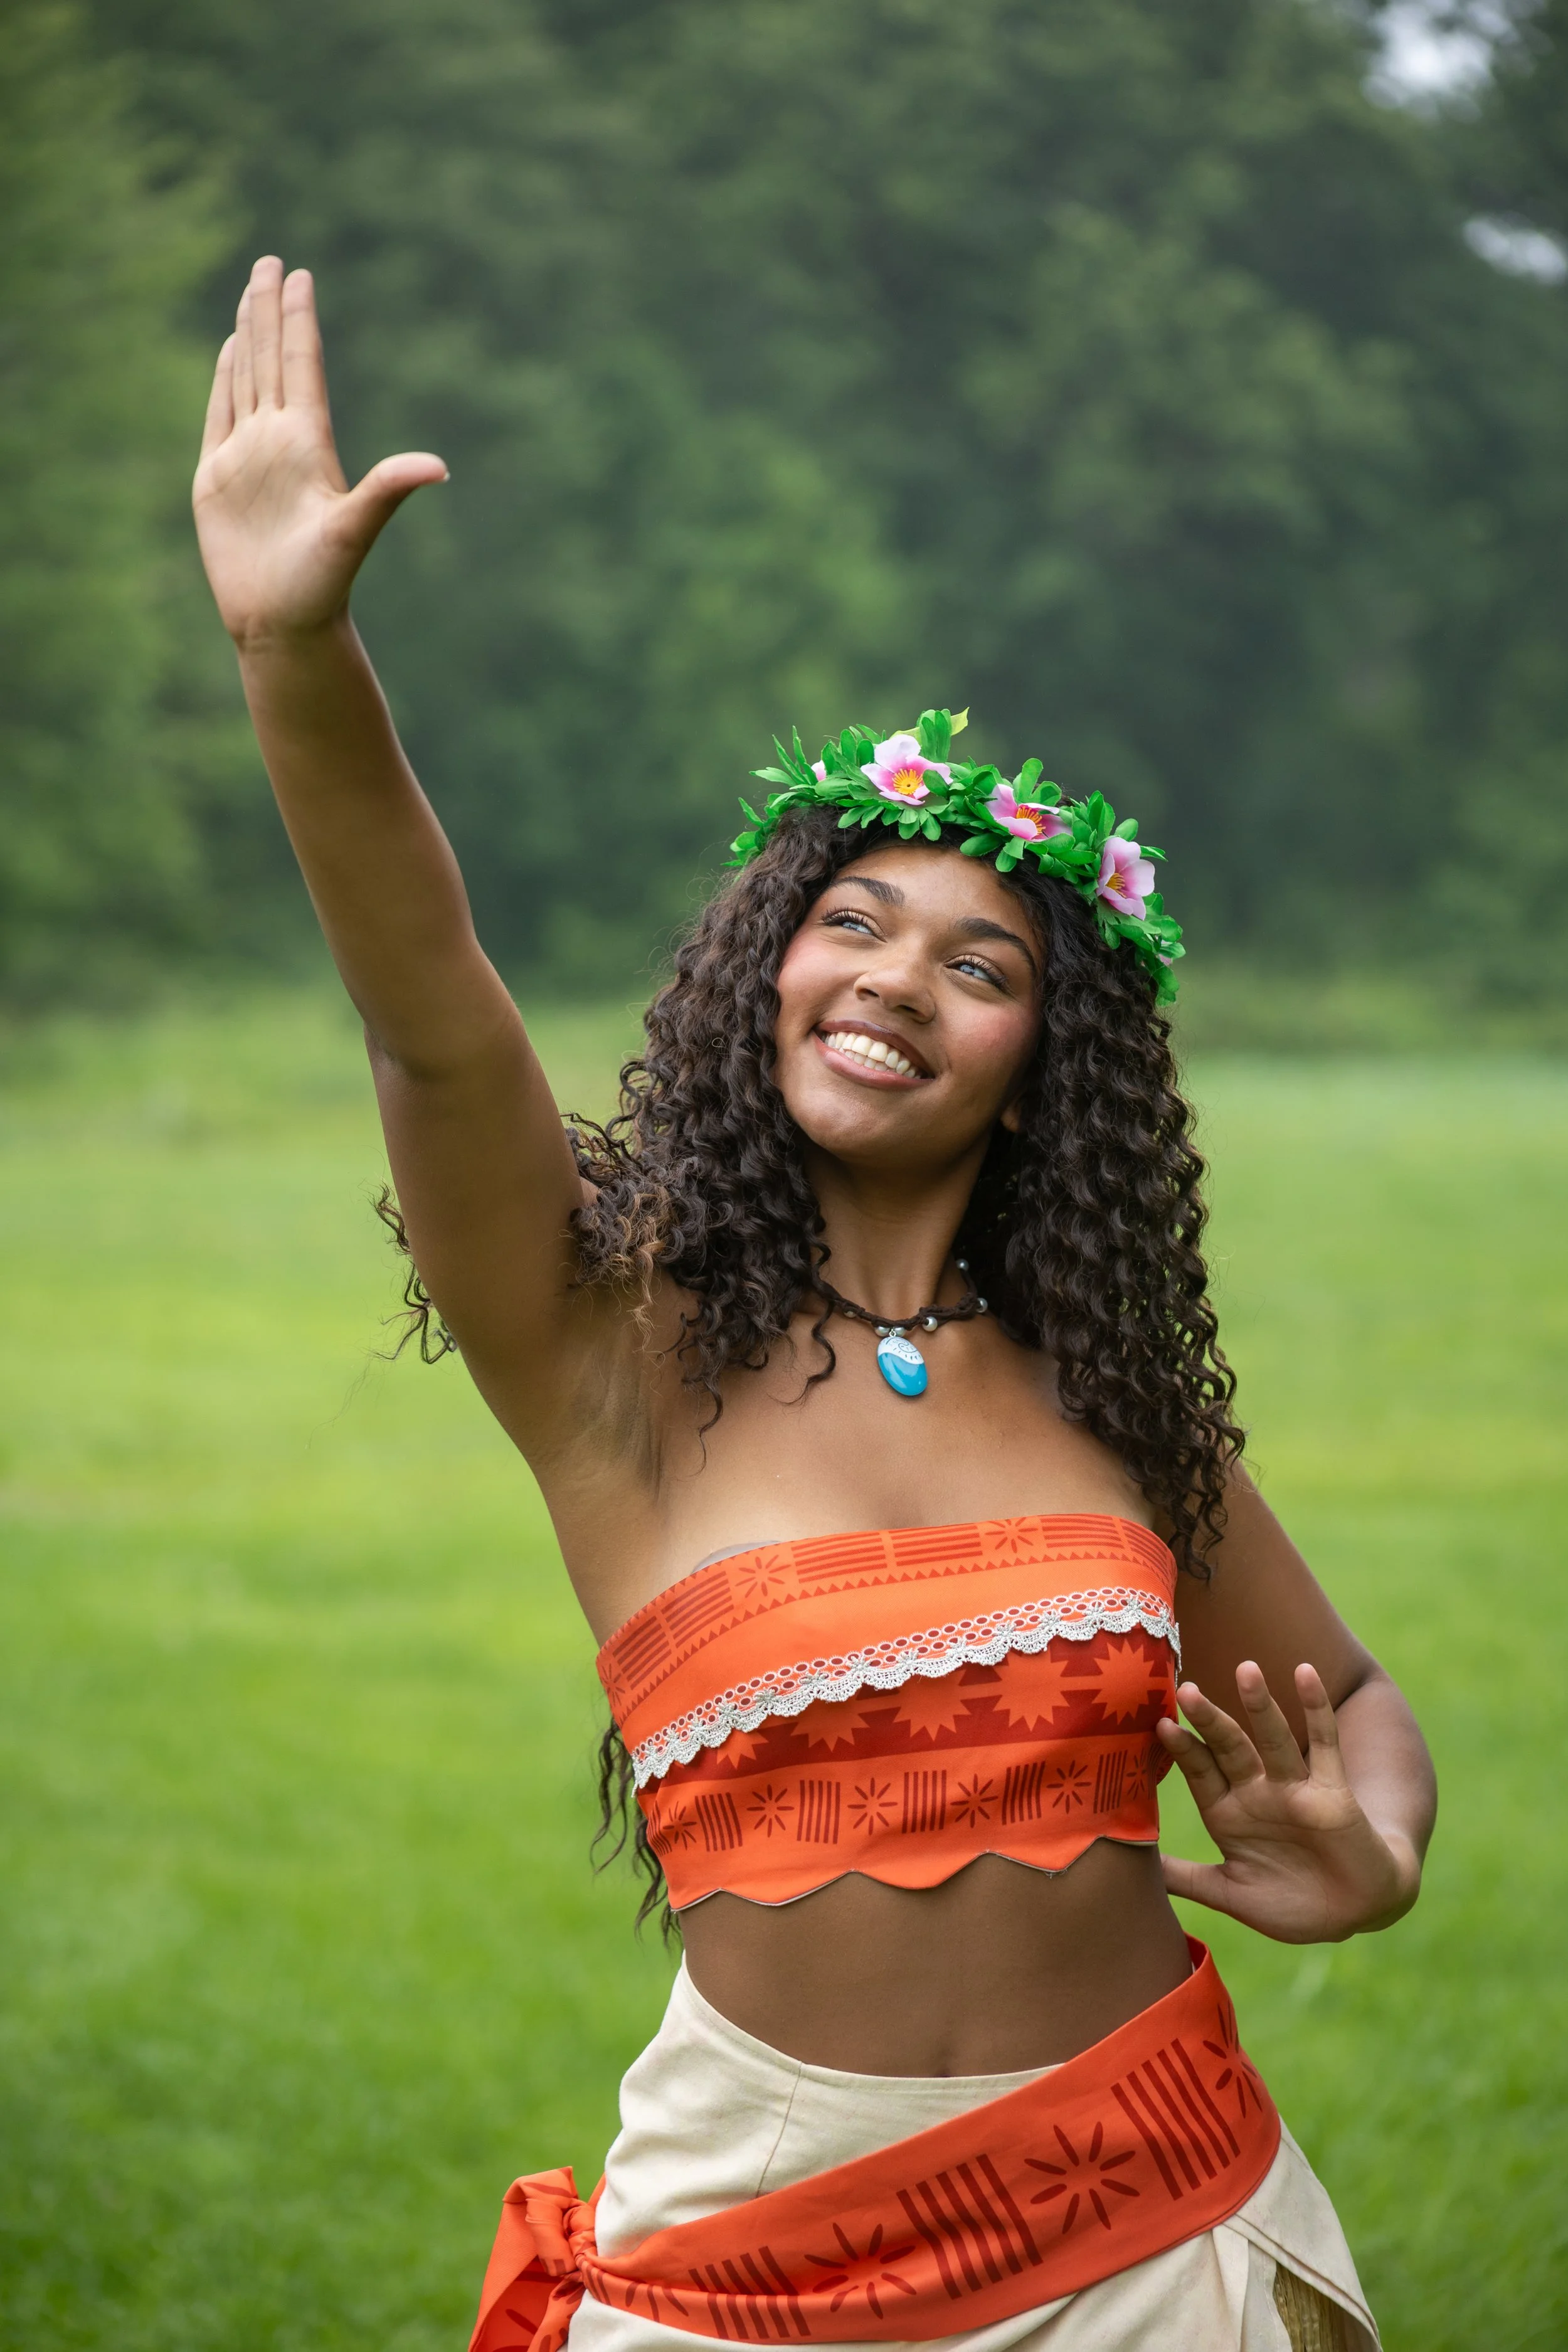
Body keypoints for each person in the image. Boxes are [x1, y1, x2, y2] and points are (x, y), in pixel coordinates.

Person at [194, 256, 1435, 2352]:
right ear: (765, 968)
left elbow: (1360, 1709)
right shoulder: (605, 1340)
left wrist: (1372, 1842)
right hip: (755, 2232)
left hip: (1155, 2213)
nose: (891, 976)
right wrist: (292, 648)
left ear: (1042, 1062)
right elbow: (429, 1019)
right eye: (850, 920)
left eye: (978, 962)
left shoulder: (1107, 1390)